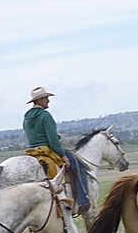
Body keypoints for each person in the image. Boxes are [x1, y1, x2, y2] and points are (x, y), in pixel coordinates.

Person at [23, 86, 90, 215]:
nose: (48, 100)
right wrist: (62, 154)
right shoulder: (45, 115)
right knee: (79, 167)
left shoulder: (27, 117)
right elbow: (53, 141)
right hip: (47, 150)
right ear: (40, 100)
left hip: (33, 150)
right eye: (46, 98)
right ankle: (83, 201)